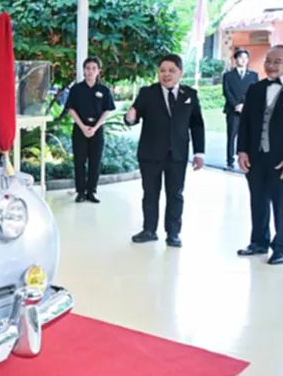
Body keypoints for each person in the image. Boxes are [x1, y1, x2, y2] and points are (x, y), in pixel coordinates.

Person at [236, 44, 283, 265]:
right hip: (256, 155)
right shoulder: (255, 89)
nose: (271, 66)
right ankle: (259, 241)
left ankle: (281, 247)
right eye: (268, 61)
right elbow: (245, 123)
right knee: (258, 200)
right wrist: (242, 150)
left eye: (277, 62)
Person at [124, 54, 205, 247]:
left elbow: (197, 125)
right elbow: (133, 115)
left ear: (180, 72)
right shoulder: (147, 93)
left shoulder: (189, 95)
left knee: (175, 194)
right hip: (150, 154)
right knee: (150, 194)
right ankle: (149, 230)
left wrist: (199, 153)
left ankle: (173, 233)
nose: (166, 74)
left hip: (177, 154)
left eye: (171, 71)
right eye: (162, 71)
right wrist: (129, 118)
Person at [64, 57, 115, 202]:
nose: (90, 71)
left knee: (95, 161)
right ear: (84, 70)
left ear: (98, 71)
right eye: (88, 68)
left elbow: (107, 110)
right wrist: (83, 126)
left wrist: (95, 127)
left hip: (96, 130)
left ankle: (92, 191)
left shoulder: (104, 90)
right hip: (80, 129)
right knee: (79, 161)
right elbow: (71, 109)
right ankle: (80, 191)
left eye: (94, 68)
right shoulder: (76, 89)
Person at [222, 48, 258, 169]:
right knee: (231, 136)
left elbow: (255, 92)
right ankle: (230, 160)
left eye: (246, 58)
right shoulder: (228, 75)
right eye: (241, 57)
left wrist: (245, 105)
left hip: (248, 110)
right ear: (235, 59)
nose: (243, 60)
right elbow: (226, 91)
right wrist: (236, 105)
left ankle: (247, 159)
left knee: (248, 135)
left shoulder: (253, 75)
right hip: (233, 110)